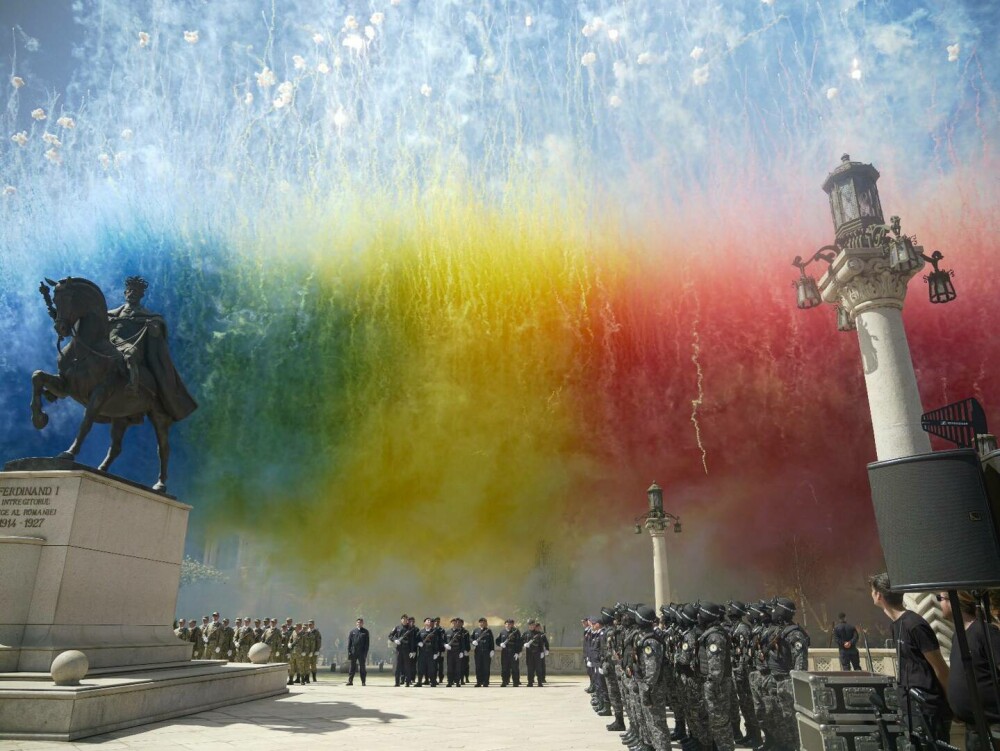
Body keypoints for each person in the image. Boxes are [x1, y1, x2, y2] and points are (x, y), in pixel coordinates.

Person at [870, 572, 951, 743]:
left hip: (928, 708)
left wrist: (952, 704)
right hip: (911, 707)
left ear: (878, 595)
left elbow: (940, 667)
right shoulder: (897, 625)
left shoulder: (915, 625)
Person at [106, 276, 197, 419]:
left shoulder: (149, 316)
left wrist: (153, 327)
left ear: (141, 295)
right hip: (112, 344)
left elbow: (156, 332)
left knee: (130, 354)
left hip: (133, 347)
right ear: (125, 293)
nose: (132, 294)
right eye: (130, 291)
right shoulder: (112, 314)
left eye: (136, 292)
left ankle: (133, 386)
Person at [939, 590, 1000, 751]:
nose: (939, 603)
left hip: (992, 727)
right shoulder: (957, 635)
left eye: (941, 598)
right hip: (972, 727)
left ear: (955, 601)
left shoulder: (984, 631)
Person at [497, 618, 523, 687]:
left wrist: (518, 652)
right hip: (505, 653)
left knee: (515, 668)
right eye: (507, 624)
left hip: (513, 653)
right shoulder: (502, 632)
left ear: (512, 625)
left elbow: (519, 643)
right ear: (505, 625)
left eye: (510, 624)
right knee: (505, 668)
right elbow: (497, 641)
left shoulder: (516, 632)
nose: (508, 625)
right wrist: (500, 644)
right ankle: (504, 681)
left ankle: (516, 682)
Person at [389, 614, 413, 687]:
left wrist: (412, 651)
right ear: (401, 620)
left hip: (407, 650)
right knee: (398, 667)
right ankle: (397, 682)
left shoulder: (410, 629)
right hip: (399, 649)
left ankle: (408, 682)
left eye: (406, 619)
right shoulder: (397, 627)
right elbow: (390, 636)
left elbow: (412, 641)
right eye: (403, 619)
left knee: (407, 667)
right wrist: (395, 640)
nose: (404, 620)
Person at [471, 617, 496, 687]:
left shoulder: (488, 631)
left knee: (486, 667)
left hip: (486, 652)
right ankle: (479, 682)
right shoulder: (475, 630)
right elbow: (470, 638)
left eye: (484, 622)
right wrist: (473, 641)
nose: (482, 623)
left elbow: (491, 641)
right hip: (478, 652)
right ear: (479, 623)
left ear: (486, 623)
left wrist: (492, 650)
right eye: (481, 622)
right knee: (478, 667)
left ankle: (486, 682)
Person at [347, 617, 370, 686]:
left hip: (361, 652)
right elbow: (349, 643)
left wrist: (365, 653)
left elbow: (367, 644)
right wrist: (349, 652)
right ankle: (350, 681)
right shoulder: (352, 632)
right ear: (356, 623)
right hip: (353, 652)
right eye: (358, 622)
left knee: (362, 667)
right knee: (352, 667)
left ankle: (363, 682)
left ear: (362, 623)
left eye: (360, 622)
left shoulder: (365, 632)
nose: (359, 623)